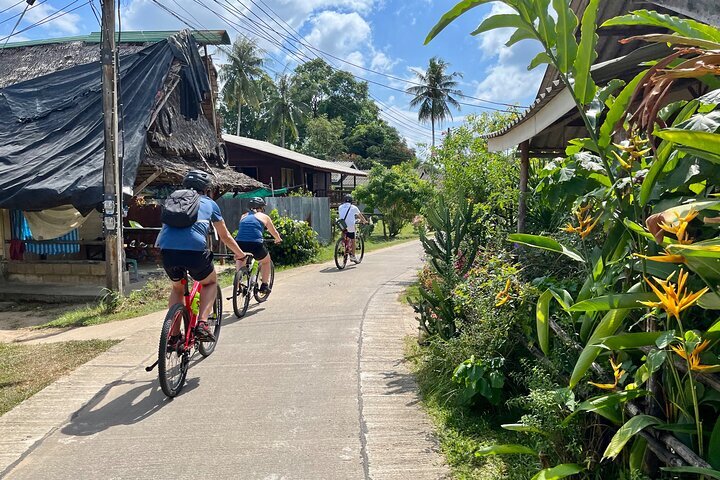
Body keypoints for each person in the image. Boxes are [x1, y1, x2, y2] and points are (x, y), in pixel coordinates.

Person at [157, 170, 246, 342]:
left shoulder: (174, 199)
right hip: (194, 251)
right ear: (206, 188)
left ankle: (174, 337)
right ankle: (203, 324)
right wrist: (240, 254)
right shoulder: (209, 203)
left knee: (177, 288)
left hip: (167, 249)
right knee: (210, 282)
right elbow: (225, 236)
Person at [235, 197, 282, 293]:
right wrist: (278, 239)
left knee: (240, 258)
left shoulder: (243, 216)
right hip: (255, 244)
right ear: (261, 208)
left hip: (239, 243)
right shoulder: (264, 217)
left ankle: (237, 282)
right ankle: (264, 285)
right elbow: (274, 232)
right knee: (266, 261)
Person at [338, 194, 368, 263]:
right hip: (350, 225)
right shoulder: (354, 207)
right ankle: (353, 256)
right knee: (353, 239)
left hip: (342, 224)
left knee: (344, 231)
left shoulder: (340, 207)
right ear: (351, 201)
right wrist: (364, 221)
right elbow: (360, 216)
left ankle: (342, 243)